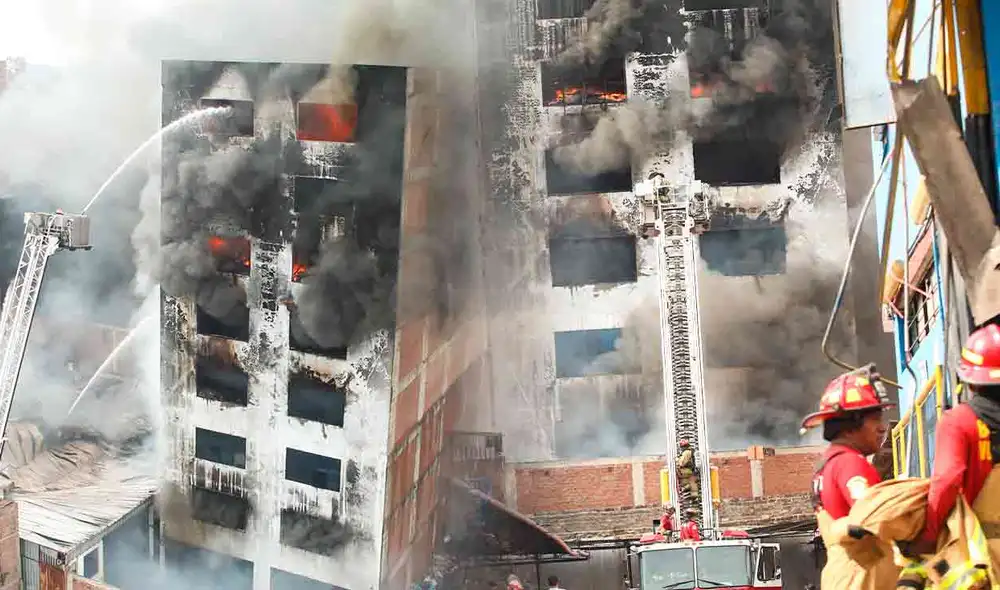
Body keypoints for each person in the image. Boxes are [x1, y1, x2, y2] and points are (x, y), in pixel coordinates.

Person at [907, 324, 1000, 570]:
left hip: (986, 554)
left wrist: (930, 534)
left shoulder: (959, 422)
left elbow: (947, 480)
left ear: (970, 382)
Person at [801, 364, 898, 590]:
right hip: (864, 578)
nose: (882, 428)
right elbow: (876, 517)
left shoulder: (826, 466)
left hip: (842, 576)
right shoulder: (849, 463)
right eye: (875, 419)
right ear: (850, 426)